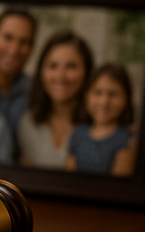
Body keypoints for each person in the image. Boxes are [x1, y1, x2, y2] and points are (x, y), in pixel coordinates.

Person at [17, 31, 93, 169]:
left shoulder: (99, 125)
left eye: (71, 66)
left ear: (87, 72)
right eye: (53, 66)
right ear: (41, 71)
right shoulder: (28, 123)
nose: (60, 76)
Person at [66, 63, 137, 176]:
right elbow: (68, 176)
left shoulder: (127, 139)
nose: (104, 102)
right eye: (97, 93)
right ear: (87, 96)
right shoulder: (78, 133)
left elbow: (120, 186)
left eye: (112, 94)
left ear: (126, 99)